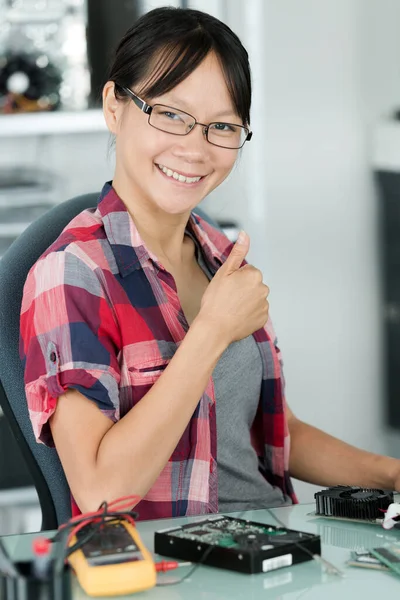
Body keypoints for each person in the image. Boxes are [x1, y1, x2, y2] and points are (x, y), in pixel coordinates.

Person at [20, 6, 400, 521]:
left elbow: (272, 434)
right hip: (172, 571)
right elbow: (102, 493)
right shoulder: (72, 274)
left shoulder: (217, 251)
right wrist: (212, 332)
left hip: (271, 544)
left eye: (222, 126)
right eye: (171, 114)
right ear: (115, 106)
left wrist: (390, 473)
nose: (195, 149)